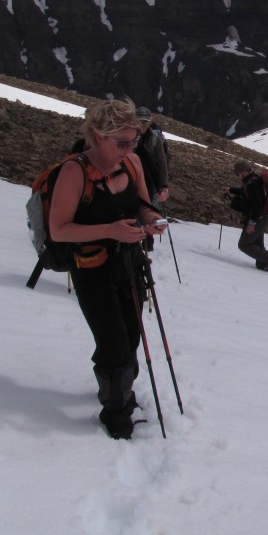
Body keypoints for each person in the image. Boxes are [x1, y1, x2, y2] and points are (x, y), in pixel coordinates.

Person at [48, 98, 166, 439]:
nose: (130, 148)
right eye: (123, 142)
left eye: (134, 140)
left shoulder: (132, 163)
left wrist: (152, 220)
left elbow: (144, 207)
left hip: (129, 265)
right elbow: (59, 230)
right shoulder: (73, 172)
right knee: (113, 342)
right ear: (99, 136)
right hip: (92, 268)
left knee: (129, 336)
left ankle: (115, 391)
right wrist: (110, 230)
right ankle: (117, 417)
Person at [227, 160, 268, 271]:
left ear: (243, 172)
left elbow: (257, 205)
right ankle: (264, 265)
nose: (238, 176)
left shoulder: (252, 184)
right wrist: (231, 190)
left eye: (238, 174)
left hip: (257, 219)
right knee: (258, 245)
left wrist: (252, 223)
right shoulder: (254, 179)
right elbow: (244, 191)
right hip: (262, 217)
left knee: (244, 244)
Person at [135, 106, 170, 209]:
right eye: (139, 121)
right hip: (134, 176)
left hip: (151, 179)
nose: (142, 124)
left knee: (150, 206)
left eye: (145, 121)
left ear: (150, 121)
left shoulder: (155, 138)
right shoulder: (130, 136)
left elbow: (162, 163)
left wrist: (164, 186)